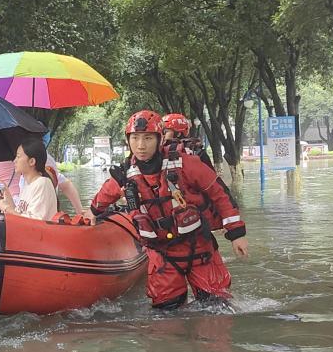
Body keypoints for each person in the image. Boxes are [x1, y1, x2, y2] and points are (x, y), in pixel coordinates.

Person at [84, 109, 249, 309]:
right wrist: (92, 212)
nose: (141, 145)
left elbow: (219, 193)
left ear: (160, 139)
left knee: (217, 309)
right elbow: (104, 196)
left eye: (147, 138)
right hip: (162, 254)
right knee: (166, 317)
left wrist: (237, 233)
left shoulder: (185, 164)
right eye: (135, 138)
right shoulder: (126, 174)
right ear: (128, 140)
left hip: (199, 248)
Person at [0, 138, 58, 221]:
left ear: (32, 161)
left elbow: (33, 222)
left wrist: (6, 208)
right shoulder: (27, 184)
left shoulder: (43, 183)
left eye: (18, 157)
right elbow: (21, 215)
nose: (15, 161)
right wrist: (8, 197)